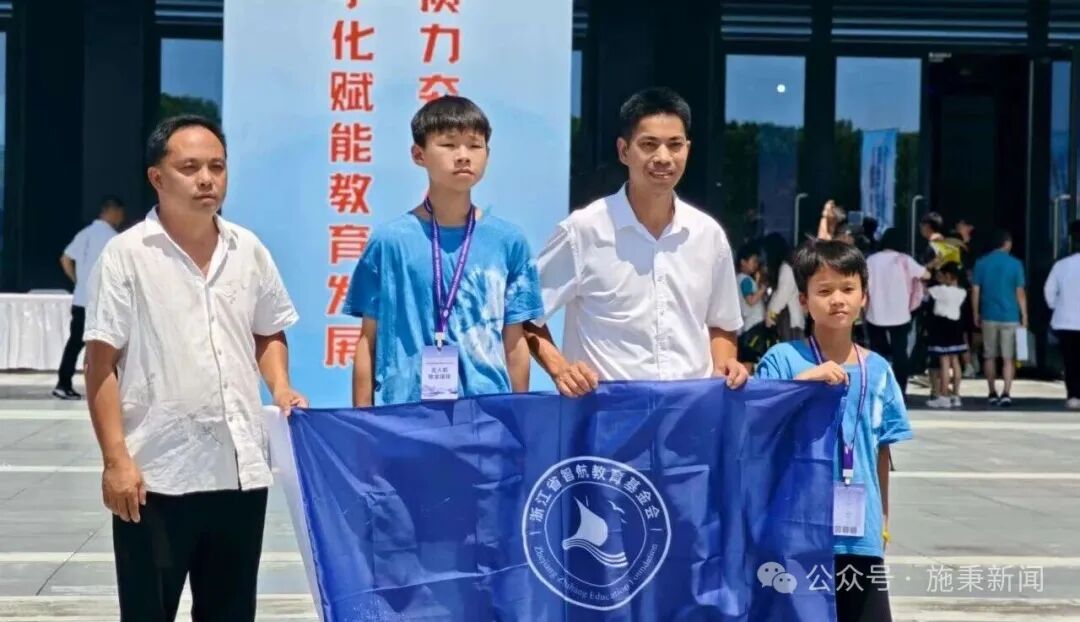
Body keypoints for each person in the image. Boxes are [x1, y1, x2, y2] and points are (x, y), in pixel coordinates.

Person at [83, 115, 306, 621]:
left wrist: (280, 385)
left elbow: (268, 332)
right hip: (156, 476)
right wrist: (116, 460)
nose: (207, 179)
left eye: (217, 167)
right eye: (190, 168)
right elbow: (100, 366)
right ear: (157, 178)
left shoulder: (248, 249)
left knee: (230, 613)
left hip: (239, 473)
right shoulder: (126, 256)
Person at [524, 87, 747, 397]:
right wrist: (560, 369)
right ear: (623, 150)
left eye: (675, 145)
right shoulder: (583, 231)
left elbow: (723, 323)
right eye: (649, 144)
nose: (663, 158)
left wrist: (725, 365)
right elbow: (524, 313)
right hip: (606, 414)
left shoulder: (708, 235)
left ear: (687, 149)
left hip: (689, 414)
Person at [346, 96, 543, 406]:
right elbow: (367, 341)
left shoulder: (508, 240)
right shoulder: (389, 241)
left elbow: (514, 341)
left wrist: (519, 416)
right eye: (449, 145)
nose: (463, 156)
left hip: (487, 413)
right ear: (418, 154)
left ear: (487, 154)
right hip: (406, 413)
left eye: (474, 146)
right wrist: (363, 421)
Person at [755, 240, 912, 622]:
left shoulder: (879, 370)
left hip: (859, 535)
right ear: (804, 301)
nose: (837, 300)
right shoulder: (782, 360)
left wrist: (882, 522)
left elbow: (881, 453)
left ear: (864, 297)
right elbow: (758, 426)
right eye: (824, 291)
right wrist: (803, 383)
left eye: (848, 288)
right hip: (795, 530)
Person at [53, 196, 125, 400]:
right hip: (101, 301)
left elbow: (65, 258)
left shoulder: (85, 233)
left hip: (81, 299)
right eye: (120, 213)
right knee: (109, 346)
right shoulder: (113, 238)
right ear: (112, 211)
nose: (121, 218)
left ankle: (63, 383)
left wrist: (78, 282)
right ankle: (111, 387)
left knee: (75, 343)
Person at [865, 228, 930, 395]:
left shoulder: (871, 260)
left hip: (875, 313)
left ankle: (877, 390)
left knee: (877, 353)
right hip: (900, 313)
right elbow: (926, 275)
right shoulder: (904, 260)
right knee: (900, 353)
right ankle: (900, 391)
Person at [972, 229, 1027, 407]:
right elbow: (1020, 292)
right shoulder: (1015, 264)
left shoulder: (981, 263)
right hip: (1010, 315)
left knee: (989, 355)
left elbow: (975, 291)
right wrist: (1024, 315)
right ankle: (1006, 393)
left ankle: (991, 391)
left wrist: (975, 312)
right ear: (1007, 243)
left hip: (988, 314)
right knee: (1008, 357)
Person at [1044, 220, 1080, 410]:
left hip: (1066, 321)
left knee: (1070, 360)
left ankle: (1074, 395)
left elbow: (1049, 291)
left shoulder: (1061, 265)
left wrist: (1057, 306)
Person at [925, 263, 969, 409]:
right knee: (955, 361)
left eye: (942, 276)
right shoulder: (962, 292)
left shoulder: (939, 290)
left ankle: (943, 396)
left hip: (942, 327)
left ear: (948, 276)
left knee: (944, 361)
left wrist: (931, 270)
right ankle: (956, 395)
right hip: (956, 327)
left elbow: (925, 291)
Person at [762, 232, 805, 341]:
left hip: (789, 319)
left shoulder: (786, 268)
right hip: (794, 318)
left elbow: (782, 295)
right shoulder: (791, 265)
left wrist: (771, 314)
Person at [736, 244, 769, 365]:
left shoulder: (741, 278)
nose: (756, 264)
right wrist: (763, 289)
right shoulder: (745, 280)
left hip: (749, 323)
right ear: (743, 262)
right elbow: (751, 301)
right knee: (751, 358)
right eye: (753, 261)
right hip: (753, 325)